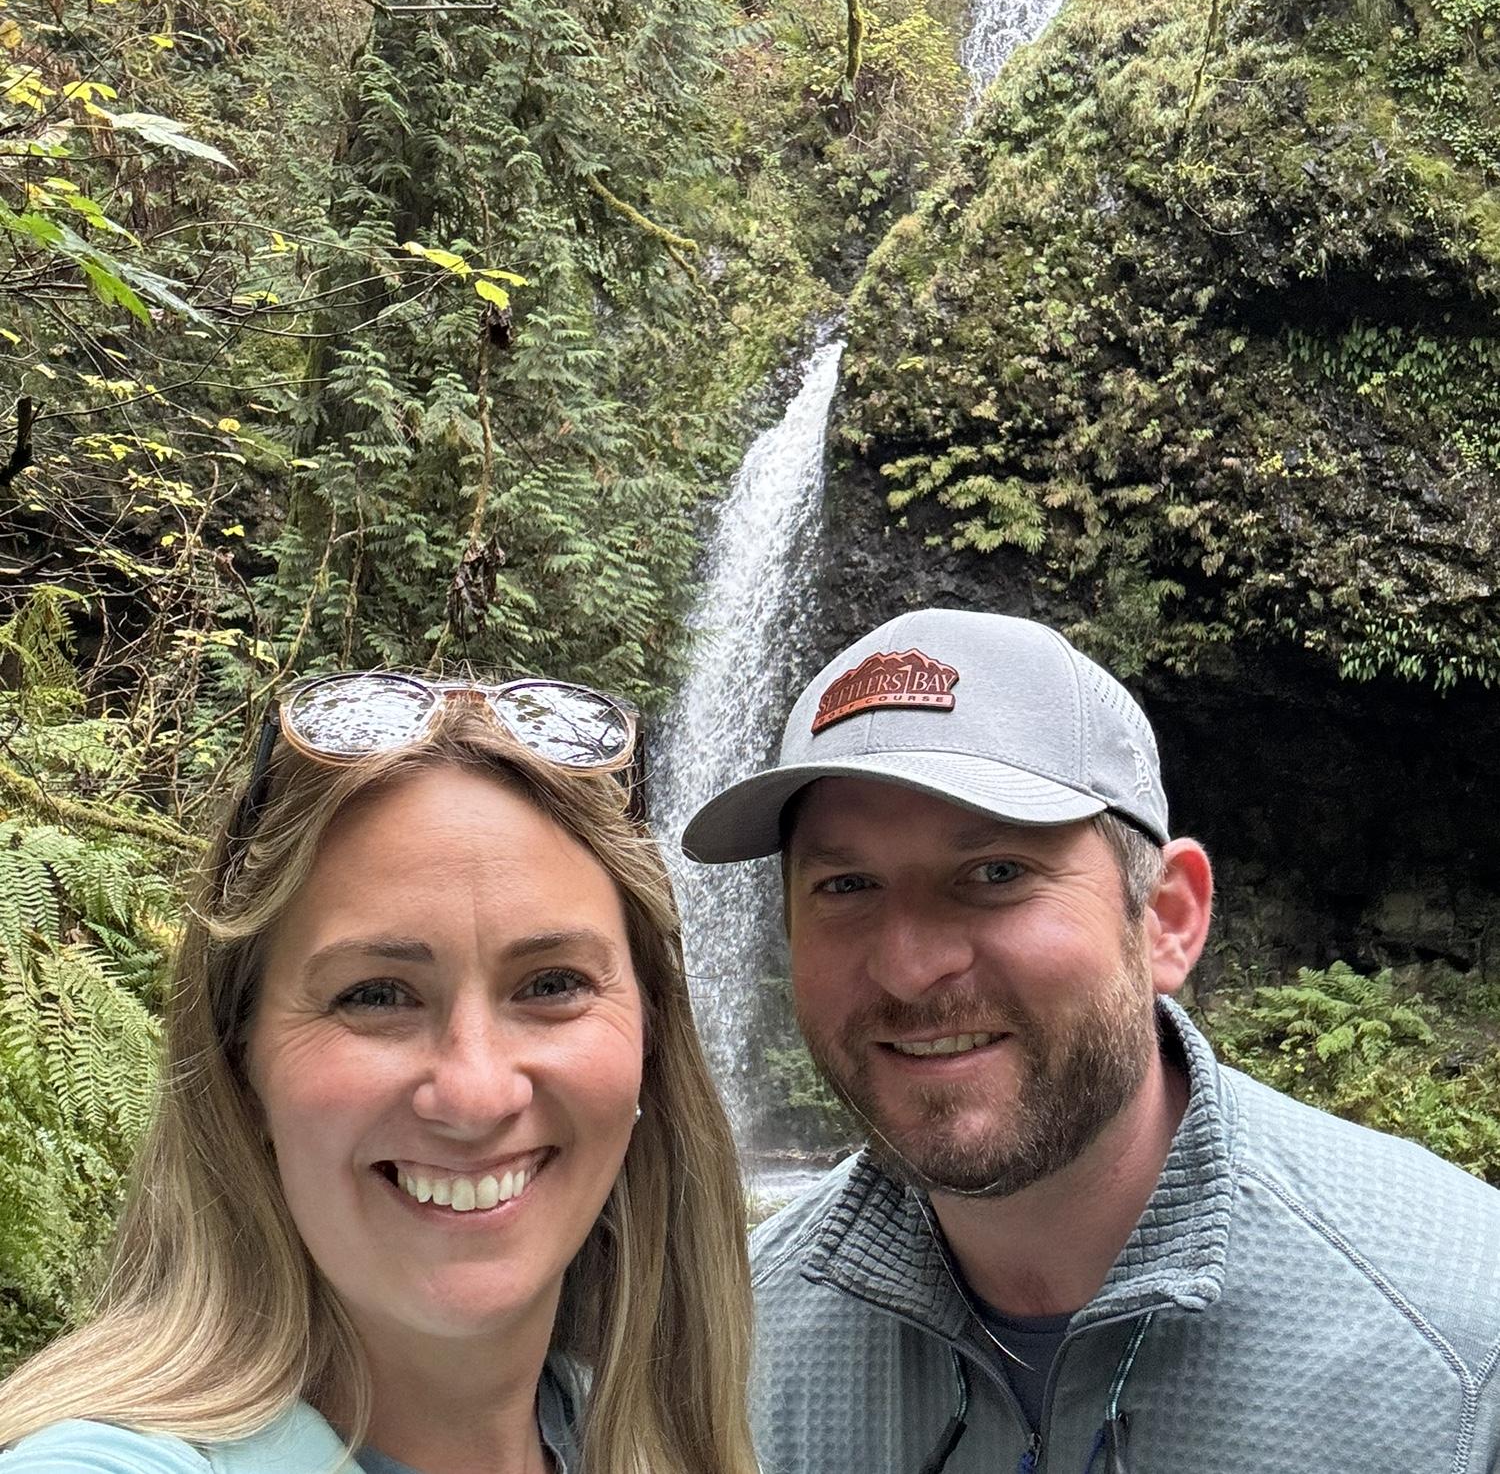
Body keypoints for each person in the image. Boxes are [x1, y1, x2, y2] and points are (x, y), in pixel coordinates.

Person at [682, 608, 1500, 1474]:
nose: (909, 967)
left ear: (1167, 919)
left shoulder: (1464, 1345)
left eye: (996, 873)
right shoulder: (725, 1350)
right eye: (847, 885)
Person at [1, 671, 757, 1474]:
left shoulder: (637, 1434)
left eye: (552, 985)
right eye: (375, 995)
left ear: (650, 1037)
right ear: (240, 1064)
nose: (474, 1094)